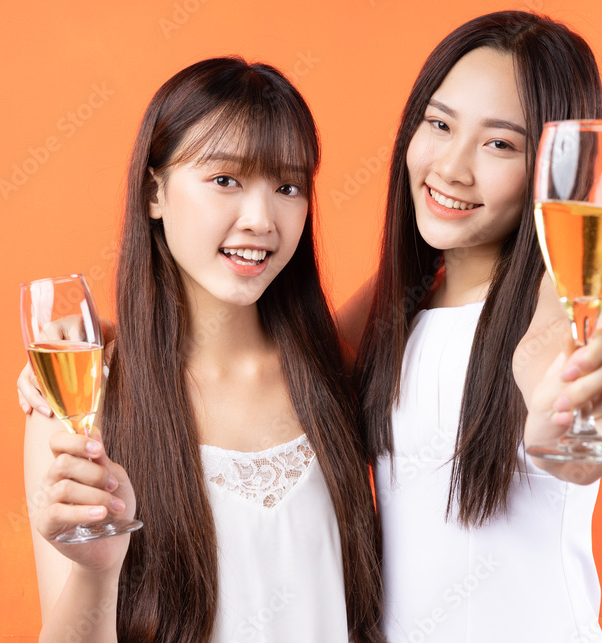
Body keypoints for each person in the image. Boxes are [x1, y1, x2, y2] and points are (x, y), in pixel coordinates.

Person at [21, 57, 384, 643]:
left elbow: (420, 267)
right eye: (225, 180)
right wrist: (98, 572)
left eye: (288, 187)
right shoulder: (79, 410)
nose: (262, 218)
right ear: (154, 192)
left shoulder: (331, 370)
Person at [350, 11, 602, 642]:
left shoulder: (568, 287)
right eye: (439, 124)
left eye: (500, 144)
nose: (452, 168)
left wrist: (571, 416)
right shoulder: (398, 302)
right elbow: (273, 358)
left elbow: (552, 376)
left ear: (550, 166)